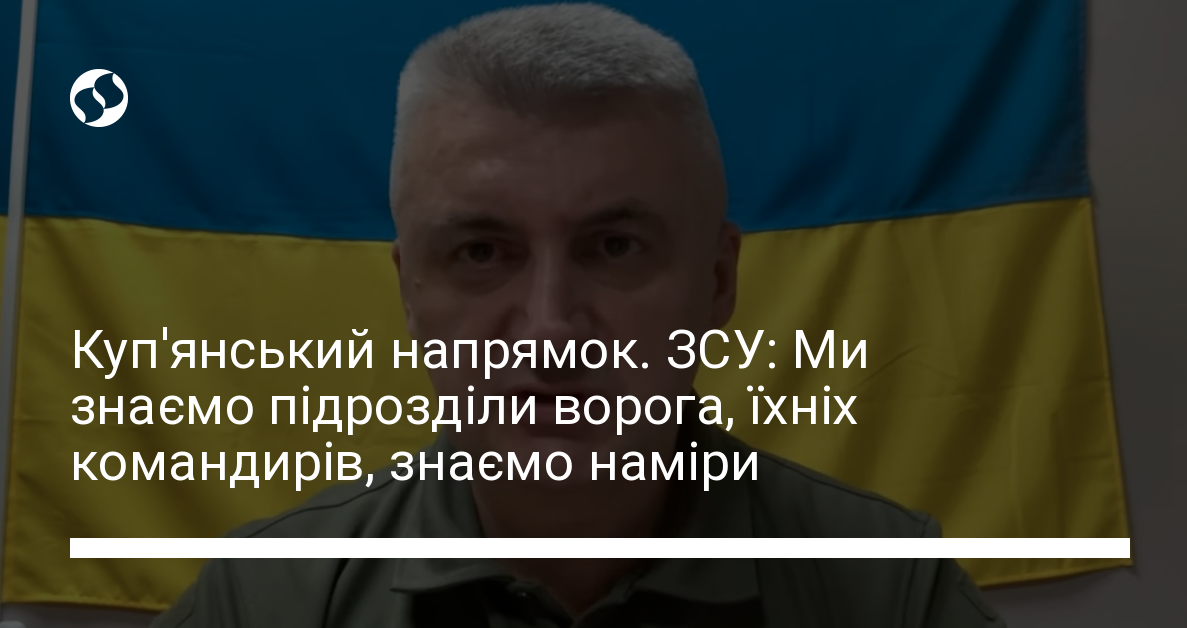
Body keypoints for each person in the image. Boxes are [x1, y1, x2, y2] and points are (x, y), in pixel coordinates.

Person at [153, 4, 1005, 627]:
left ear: (717, 283)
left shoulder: (891, 591)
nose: (550, 329)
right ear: (410, 291)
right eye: (482, 253)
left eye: (615, 247)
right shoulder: (264, 599)